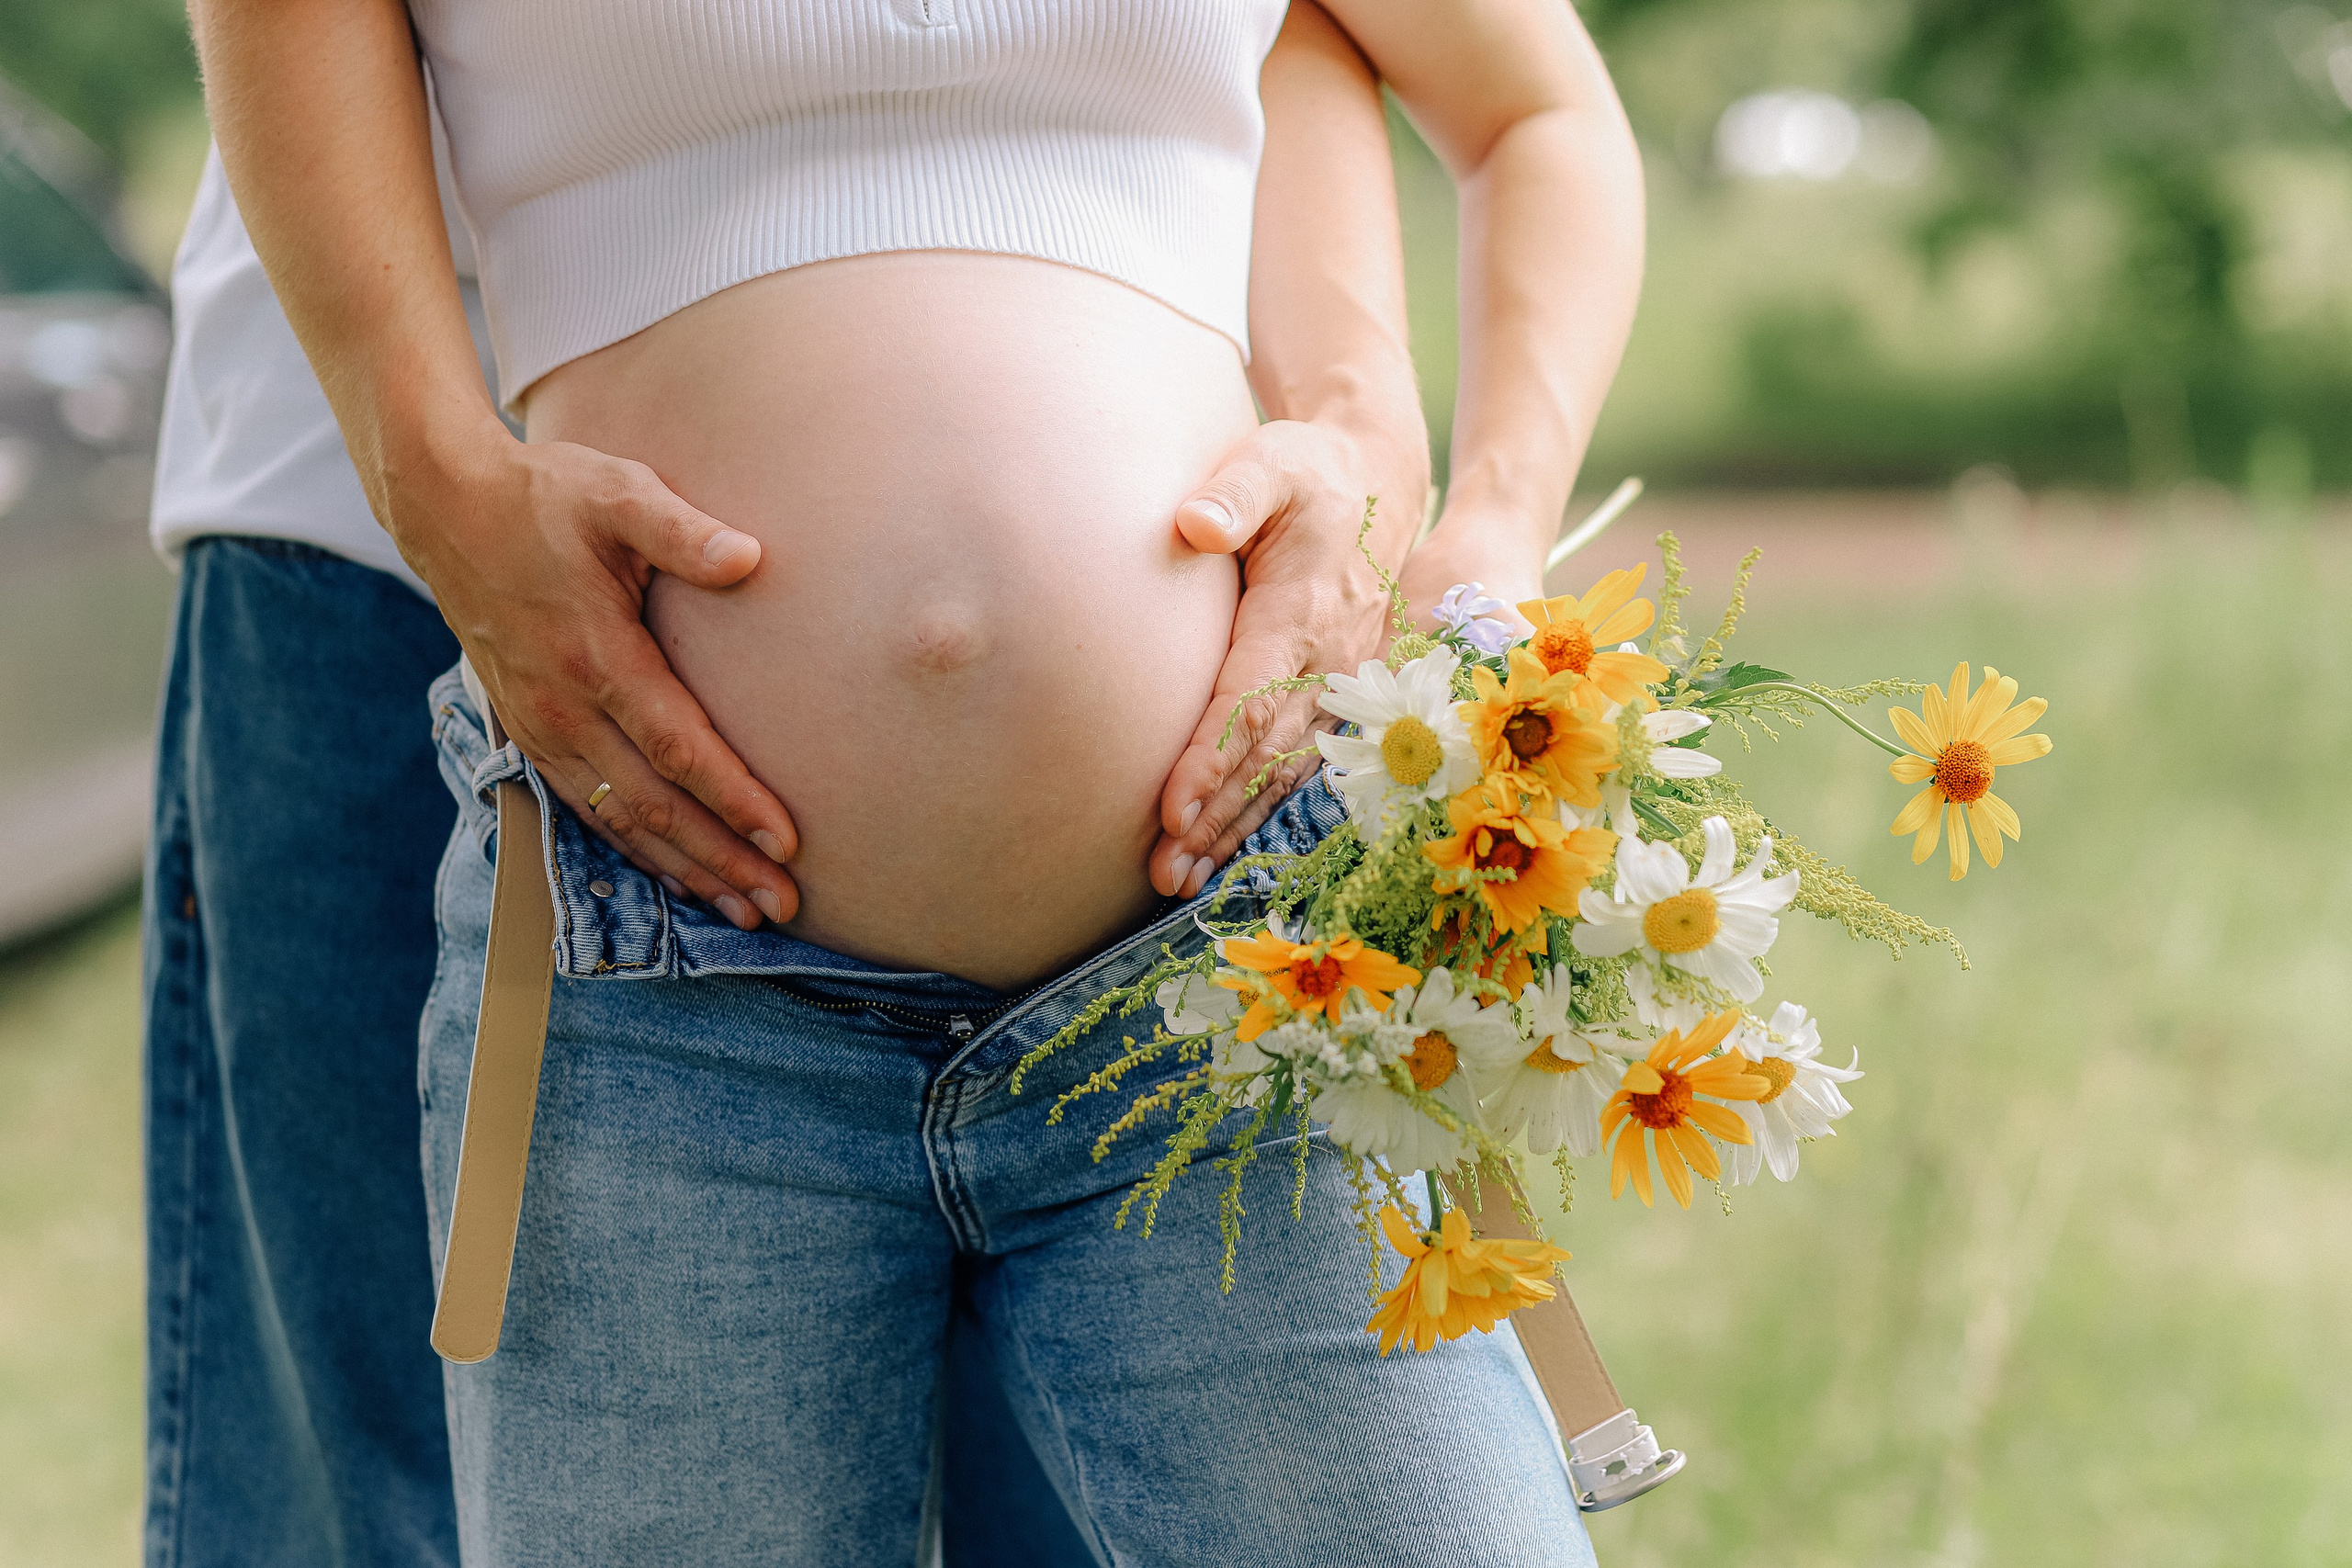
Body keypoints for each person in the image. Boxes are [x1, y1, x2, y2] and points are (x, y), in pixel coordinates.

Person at [188, 0, 1644, 1559]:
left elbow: (1533, 112)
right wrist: (440, 482)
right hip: (666, 996)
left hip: (1241, 957)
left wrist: (1472, 525)